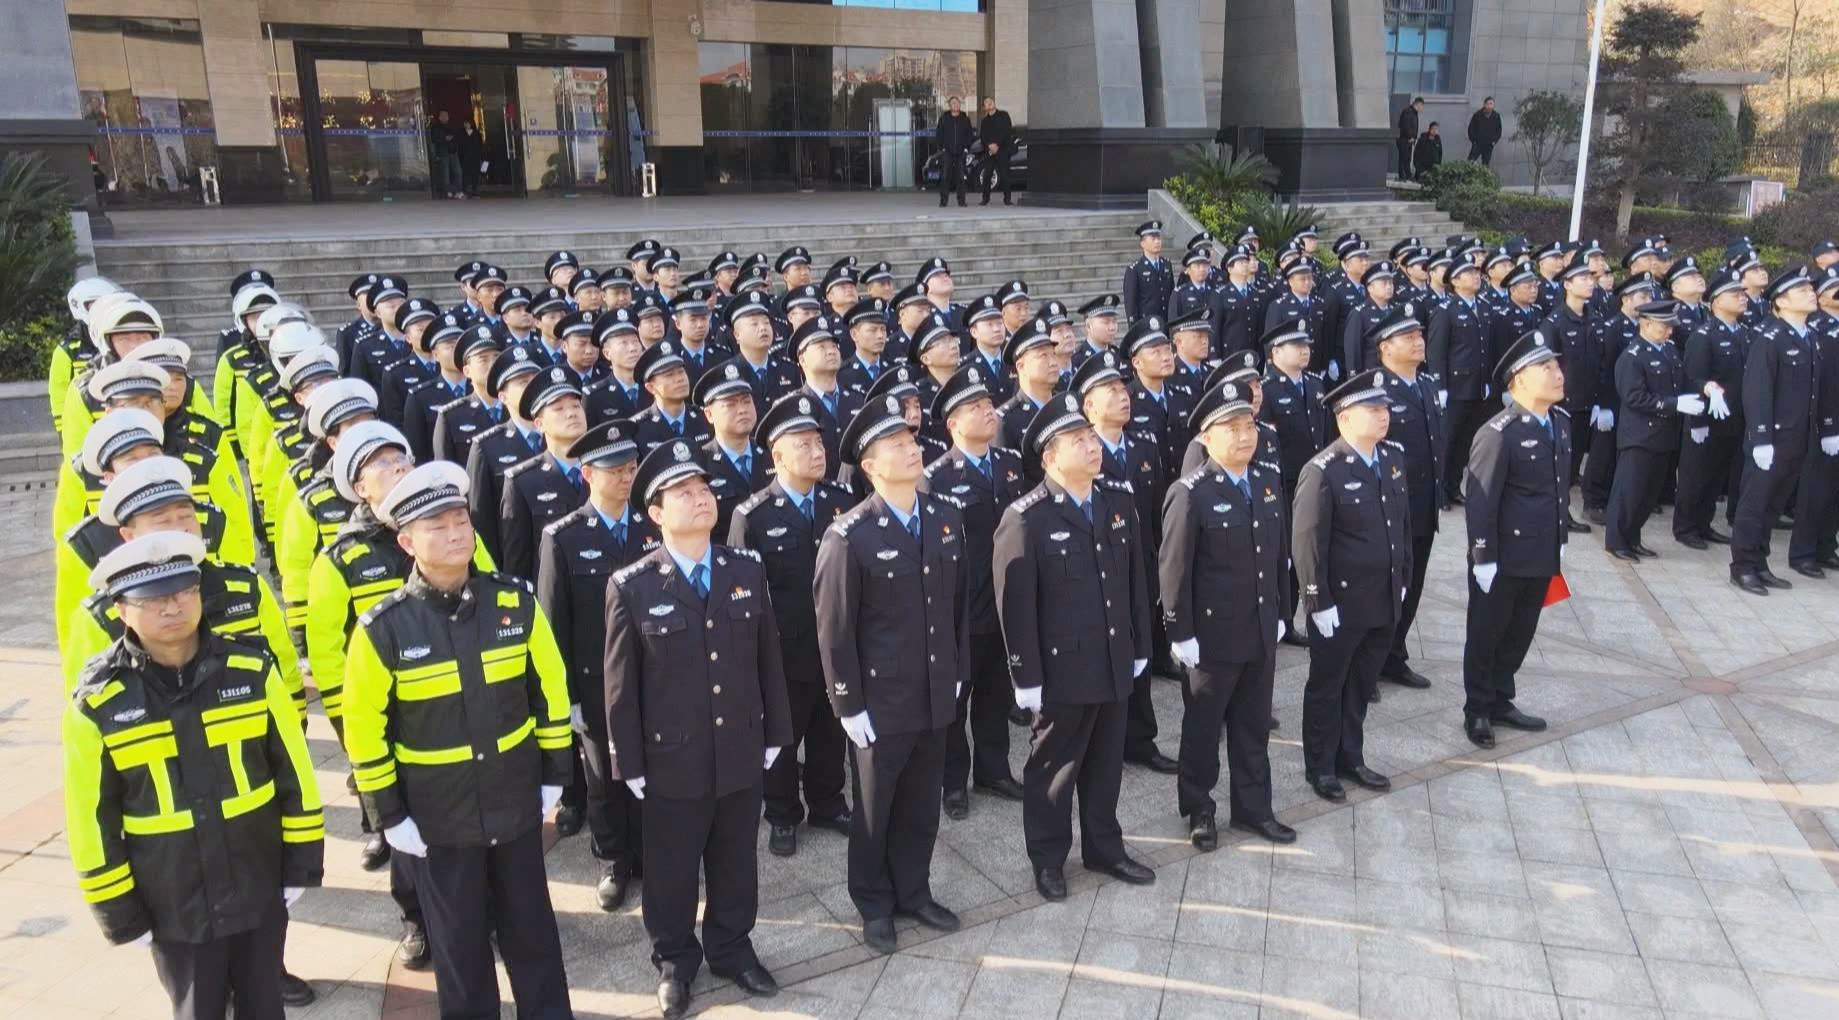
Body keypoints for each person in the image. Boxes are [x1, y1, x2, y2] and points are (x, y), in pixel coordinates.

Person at [342, 462, 575, 1020]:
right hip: (438, 821)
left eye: (460, 522)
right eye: (437, 526)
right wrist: (389, 816)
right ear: (406, 541)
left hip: (514, 801)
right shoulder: (384, 628)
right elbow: (364, 729)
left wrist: (553, 776)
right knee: (461, 950)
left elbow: (550, 689)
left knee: (533, 937)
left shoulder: (513, 602)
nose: (455, 534)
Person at [65, 531, 324, 1020]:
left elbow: (294, 772)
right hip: (172, 900)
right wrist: (116, 907)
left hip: (256, 878)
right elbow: (89, 818)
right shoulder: (100, 702)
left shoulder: (250, 670)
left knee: (265, 1004)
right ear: (120, 609)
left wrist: (302, 861)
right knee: (196, 1009)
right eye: (154, 598)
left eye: (185, 591)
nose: (173, 607)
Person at [604, 438, 793, 1018]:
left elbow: (768, 659)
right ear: (656, 514)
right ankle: (674, 961)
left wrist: (774, 733)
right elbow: (620, 686)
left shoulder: (745, 568)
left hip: (738, 744)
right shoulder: (631, 585)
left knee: (736, 858)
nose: (700, 498)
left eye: (704, 488)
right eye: (682, 492)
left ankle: (733, 948)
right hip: (672, 758)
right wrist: (628, 763)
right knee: (671, 868)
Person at [814, 395, 968, 955]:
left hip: (934, 689)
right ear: (871, 465)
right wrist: (847, 704)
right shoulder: (848, 536)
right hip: (881, 698)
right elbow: (835, 630)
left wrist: (958, 672)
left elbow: (957, 607)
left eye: (911, 440)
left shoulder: (945, 517)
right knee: (876, 809)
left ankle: (913, 889)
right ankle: (873, 903)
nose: (911, 449)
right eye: (896, 446)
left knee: (923, 801)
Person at [994, 390, 1157, 899]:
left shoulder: (1116, 501)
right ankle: (1047, 858)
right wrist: (1025, 677)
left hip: (1112, 659)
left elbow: (1135, 581)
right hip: (1062, 670)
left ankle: (1104, 847)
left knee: (1106, 764)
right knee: (1054, 768)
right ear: (1049, 457)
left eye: (1091, 436)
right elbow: (1015, 607)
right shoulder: (1026, 518)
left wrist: (1139, 644)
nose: (1091, 446)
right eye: (1077, 440)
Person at [1161, 380, 1295, 851]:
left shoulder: (1265, 480)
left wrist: (1282, 607)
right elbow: (1174, 567)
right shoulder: (1191, 491)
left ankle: (1254, 808)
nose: (1244, 435)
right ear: (1207, 436)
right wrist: (1180, 631)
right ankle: (1198, 807)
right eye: (1231, 427)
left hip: (1259, 627)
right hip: (1212, 637)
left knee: (1253, 724)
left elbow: (1277, 552)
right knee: (1203, 728)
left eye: (1249, 425)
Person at [535, 419, 659, 910]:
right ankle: (612, 859)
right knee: (604, 777)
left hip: (653, 678)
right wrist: (565, 699)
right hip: (595, 683)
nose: (625, 476)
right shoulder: (562, 538)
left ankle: (650, 854)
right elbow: (551, 625)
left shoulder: (654, 528)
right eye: (614, 469)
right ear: (587, 474)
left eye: (630, 467)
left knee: (651, 770)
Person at [730, 394, 855, 856]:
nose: (817, 452)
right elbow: (742, 595)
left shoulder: (842, 500)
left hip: (835, 643)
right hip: (783, 650)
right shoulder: (753, 515)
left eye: (819, 443)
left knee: (830, 727)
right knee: (782, 736)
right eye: (803, 445)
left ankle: (828, 801)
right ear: (777, 455)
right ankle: (782, 812)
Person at [1294, 371, 1411, 801]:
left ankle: (1351, 755)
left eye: (1384, 408)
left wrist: (1404, 579)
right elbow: (1308, 543)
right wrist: (1316, 601)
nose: (1384, 416)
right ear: (1344, 418)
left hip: (1382, 597)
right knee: (1328, 685)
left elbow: (1402, 525)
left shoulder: (1393, 458)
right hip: (1341, 603)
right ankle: (1320, 765)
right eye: (1373, 410)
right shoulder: (1323, 470)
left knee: (1361, 683)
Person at [921, 366, 1029, 817]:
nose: (987, 413)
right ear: (952, 424)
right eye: (975, 408)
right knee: (956, 699)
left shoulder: (1010, 463)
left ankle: (994, 768)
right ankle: (953, 781)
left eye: (988, 405)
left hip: (1004, 602)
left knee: (996, 691)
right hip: (961, 607)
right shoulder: (937, 477)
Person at [1463, 331, 1568, 748]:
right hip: (1503, 556)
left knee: (1521, 631)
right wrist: (1482, 556)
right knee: (1487, 632)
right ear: (1519, 380)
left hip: (1541, 551)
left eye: (1556, 366)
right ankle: (1477, 709)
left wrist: (1559, 537)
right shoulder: (1498, 432)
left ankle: (1502, 698)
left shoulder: (1559, 423)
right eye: (1547, 368)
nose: (1558, 374)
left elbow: (1557, 487)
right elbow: (1481, 500)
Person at [1731, 266, 1824, 595]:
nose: (1811, 293)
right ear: (1781, 302)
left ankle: (1760, 562)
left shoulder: (1809, 336)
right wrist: (1760, 438)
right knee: (1755, 504)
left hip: (1798, 439)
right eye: (1801, 290)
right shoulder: (1770, 338)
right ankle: (1742, 566)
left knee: (1773, 506)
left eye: (1810, 289)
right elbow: (1757, 390)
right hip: (1771, 439)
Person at [1370, 308, 1445, 693]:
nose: (1419, 341)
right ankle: (1369, 666)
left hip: (1423, 506)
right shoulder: (1376, 392)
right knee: (1385, 591)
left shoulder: (1426, 385)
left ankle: (1394, 657)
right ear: (1386, 347)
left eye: (1420, 335)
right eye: (1409, 337)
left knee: (1411, 588)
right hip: (1391, 511)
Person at [1674, 268, 1749, 550]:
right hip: (1705, 419)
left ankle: (1703, 524)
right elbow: (1692, 378)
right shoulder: (1703, 335)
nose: (1742, 298)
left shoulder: (1744, 333)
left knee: (1716, 476)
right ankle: (1685, 527)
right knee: (1695, 475)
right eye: (1735, 294)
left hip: (1731, 417)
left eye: (1743, 293)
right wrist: (1696, 423)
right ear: (1716, 301)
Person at [1124, 221, 1174, 323]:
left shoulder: (1167, 265)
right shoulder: (1135, 269)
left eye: (1159, 238)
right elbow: (1131, 305)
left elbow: (1172, 295)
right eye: (1153, 238)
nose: (1157, 242)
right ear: (1142, 243)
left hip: (1166, 323)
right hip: (1147, 324)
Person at [935, 96, 975, 207]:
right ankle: (943, 201)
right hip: (947, 152)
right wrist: (942, 147)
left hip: (961, 152)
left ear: (960, 105)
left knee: (961, 177)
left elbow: (969, 134)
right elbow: (939, 134)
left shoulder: (965, 118)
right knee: (945, 176)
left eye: (957, 103)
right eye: (953, 103)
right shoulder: (944, 118)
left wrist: (967, 148)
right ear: (949, 105)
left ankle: (961, 201)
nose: (955, 105)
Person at [977, 96, 1015, 206]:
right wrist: (990, 146)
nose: (989, 104)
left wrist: (997, 145)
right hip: (990, 152)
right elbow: (983, 136)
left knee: (1005, 175)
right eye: (986, 103)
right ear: (984, 108)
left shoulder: (1004, 115)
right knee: (987, 175)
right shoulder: (984, 121)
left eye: (991, 102)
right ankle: (985, 198)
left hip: (1002, 149)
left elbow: (1007, 131)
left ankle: (1007, 199)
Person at [430, 110, 462, 199]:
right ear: (439, 117)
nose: (445, 117)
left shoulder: (452, 126)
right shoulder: (435, 127)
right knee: (445, 174)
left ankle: (458, 191)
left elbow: (458, 137)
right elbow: (434, 139)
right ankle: (448, 192)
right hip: (443, 152)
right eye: (443, 116)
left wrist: (453, 140)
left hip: (453, 152)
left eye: (446, 116)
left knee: (458, 172)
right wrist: (444, 139)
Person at [1468, 97, 1503, 165]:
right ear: (1484, 105)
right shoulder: (1477, 115)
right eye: (1488, 104)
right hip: (1477, 144)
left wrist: (1493, 142)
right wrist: (1474, 141)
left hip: (1489, 145)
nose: (1489, 106)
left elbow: (1499, 131)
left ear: (1493, 106)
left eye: (1491, 104)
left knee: (1485, 164)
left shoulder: (1496, 116)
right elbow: (1471, 129)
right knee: (1470, 162)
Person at [1396, 97, 1423, 181]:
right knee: (1404, 159)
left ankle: (1406, 176)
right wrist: (1410, 137)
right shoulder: (1408, 111)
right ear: (1418, 104)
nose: (1422, 109)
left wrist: (1414, 138)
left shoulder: (1414, 113)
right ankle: (1404, 176)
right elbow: (1405, 126)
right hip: (1404, 140)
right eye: (1422, 106)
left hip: (1409, 140)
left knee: (1407, 159)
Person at [458, 118, 485, 196]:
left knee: (475, 173)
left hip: (475, 156)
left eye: (468, 123)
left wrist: (481, 155)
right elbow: (460, 145)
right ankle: (465, 189)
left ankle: (475, 189)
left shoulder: (476, 133)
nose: (466, 125)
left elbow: (480, 145)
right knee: (465, 173)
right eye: (465, 123)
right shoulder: (461, 133)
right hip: (465, 156)